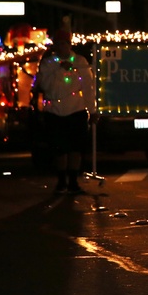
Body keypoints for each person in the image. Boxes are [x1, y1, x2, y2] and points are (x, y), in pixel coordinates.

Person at [37, 25, 97, 195]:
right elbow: (45, 86)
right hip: (55, 111)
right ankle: (61, 180)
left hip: (76, 110)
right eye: (59, 43)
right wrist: (58, 71)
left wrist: (92, 110)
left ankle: (73, 180)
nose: (63, 46)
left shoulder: (80, 62)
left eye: (66, 43)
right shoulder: (48, 64)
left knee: (75, 148)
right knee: (59, 148)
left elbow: (88, 88)